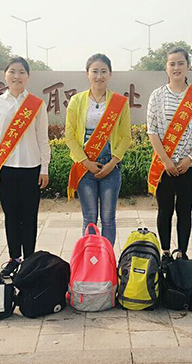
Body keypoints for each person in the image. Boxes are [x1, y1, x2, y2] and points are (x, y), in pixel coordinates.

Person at [0, 57, 50, 279]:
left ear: (28, 76)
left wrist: (44, 168)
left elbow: (42, 138)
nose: (17, 76)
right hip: (6, 169)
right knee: (11, 216)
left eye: (22, 72)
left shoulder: (36, 104)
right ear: (5, 75)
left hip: (32, 167)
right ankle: (14, 258)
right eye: (12, 71)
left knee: (30, 216)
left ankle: (29, 259)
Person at [146, 47, 192, 264]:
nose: (176, 68)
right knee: (165, 210)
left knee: (184, 211)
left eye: (181, 63)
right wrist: (165, 160)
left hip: (190, 166)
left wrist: (190, 158)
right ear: (166, 67)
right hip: (164, 166)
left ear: (188, 66)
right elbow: (152, 131)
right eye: (172, 64)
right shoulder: (157, 96)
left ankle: (182, 253)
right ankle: (165, 253)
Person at [65, 53, 131, 246]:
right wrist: (86, 163)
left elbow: (126, 136)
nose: (99, 76)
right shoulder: (76, 101)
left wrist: (112, 163)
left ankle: (107, 259)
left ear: (110, 74)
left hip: (111, 165)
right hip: (85, 166)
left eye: (103, 71)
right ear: (87, 74)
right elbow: (70, 136)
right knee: (89, 218)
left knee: (108, 218)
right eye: (95, 71)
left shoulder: (120, 102)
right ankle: (89, 258)